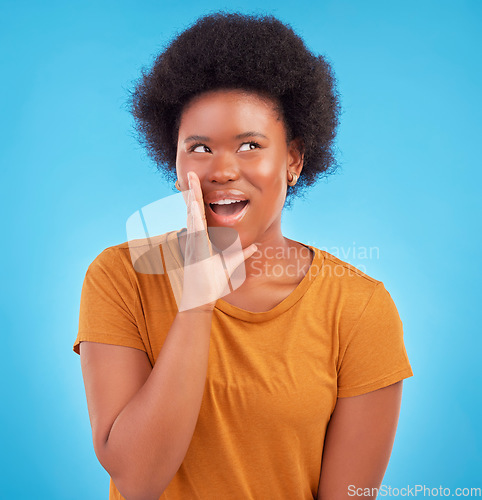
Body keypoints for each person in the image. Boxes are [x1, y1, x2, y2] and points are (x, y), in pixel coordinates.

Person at [73, 11, 413, 500]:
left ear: (293, 160)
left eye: (250, 145)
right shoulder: (120, 277)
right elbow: (138, 480)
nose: (223, 170)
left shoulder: (358, 309)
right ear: (174, 161)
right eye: (200, 148)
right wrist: (196, 303)